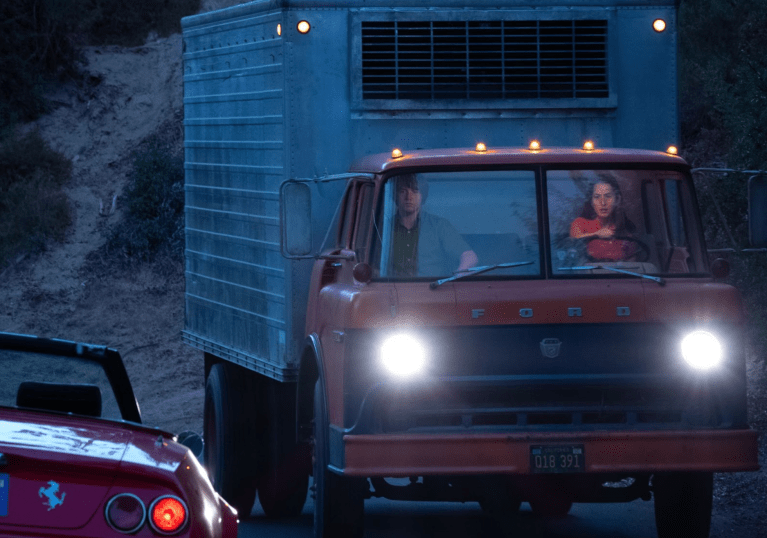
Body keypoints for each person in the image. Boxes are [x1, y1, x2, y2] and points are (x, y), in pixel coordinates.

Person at [388, 174, 478, 277]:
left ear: (423, 196)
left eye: (415, 191)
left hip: (434, 289)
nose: (409, 197)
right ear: (395, 195)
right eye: (403, 191)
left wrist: (458, 276)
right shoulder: (384, 227)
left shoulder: (439, 225)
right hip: (393, 289)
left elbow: (469, 256)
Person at [569, 177, 639, 261]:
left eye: (608, 196)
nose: (603, 202)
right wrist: (596, 234)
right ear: (592, 202)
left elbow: (633, 264)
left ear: (617, 199)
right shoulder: (580, 224)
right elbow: (572, 242)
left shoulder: (625, 232)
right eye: (597, 197)